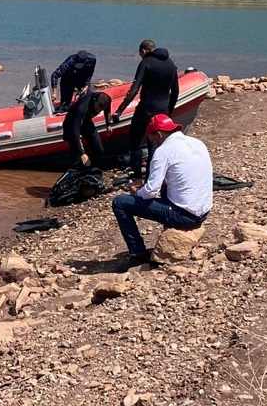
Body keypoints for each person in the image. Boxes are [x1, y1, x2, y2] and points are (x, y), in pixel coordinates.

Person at [111, 114, 213, 262]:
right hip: (203, 211)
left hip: (185, 216)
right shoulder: (197, 143)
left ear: (158, 134)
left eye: (152, 139)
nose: (152, 143)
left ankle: (137, 253)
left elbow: (151, 191)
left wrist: (137, 192)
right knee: (167, 185)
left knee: (120, 203)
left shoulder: (163, 151)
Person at [112, 40, 179, 179]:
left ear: (143, 51)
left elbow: (134, 89)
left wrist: (120, 110)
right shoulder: (171, 64)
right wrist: (169, 112)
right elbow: (176, 91)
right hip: (163, 110)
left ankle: (136, 173)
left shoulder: (146, 62)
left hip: (146, 109)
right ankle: (152, 177)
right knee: (154, 145)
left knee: (135, 140)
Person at [62, 88, 112, 167]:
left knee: (98, 148)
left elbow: (108, 110)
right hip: (72, 121)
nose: (99, 110)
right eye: (98, 107)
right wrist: (82, 153)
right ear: (94, 100)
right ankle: (77, 167)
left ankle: (94, 167)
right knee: (77, 152)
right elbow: (75, 132)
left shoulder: (107, 99)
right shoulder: (82, 108)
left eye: (101, 109)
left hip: (86, 121)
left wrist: (108, 124)